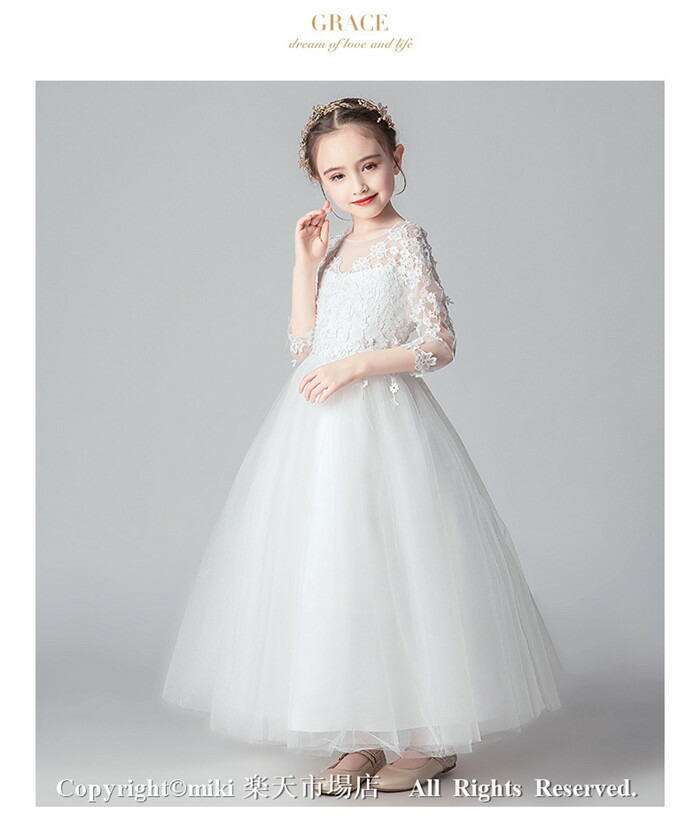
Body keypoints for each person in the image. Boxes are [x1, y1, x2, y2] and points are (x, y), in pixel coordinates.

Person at [161, 97, 564, 796]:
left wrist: (356, 366)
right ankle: (362, 734)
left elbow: (439, 344)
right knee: (340, 567)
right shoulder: (337, 249)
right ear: (318, 182)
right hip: (320, 436)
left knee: (404, 562)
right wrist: (304, 263)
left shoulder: (407, 241)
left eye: (370, 165)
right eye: (338, 175)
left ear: (397, 160)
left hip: (387, 425)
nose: (358, 185)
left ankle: (427, 737)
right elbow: (303, 347)